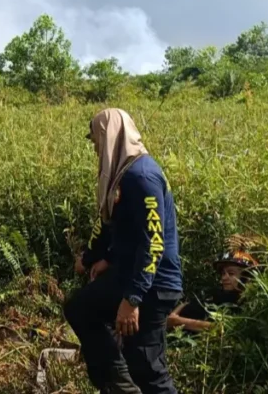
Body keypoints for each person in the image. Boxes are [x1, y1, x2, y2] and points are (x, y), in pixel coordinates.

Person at [64, 108, 183, 394]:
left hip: (154, 285)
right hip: (130, 274)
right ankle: (117, 384)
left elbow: (153, 243)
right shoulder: (123, 175)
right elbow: (119, 229)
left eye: (96, 142)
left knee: (148, 368)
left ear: (109, 137)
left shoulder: (142, 177)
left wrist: (132, 300)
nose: (95, 150)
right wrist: (101, 258)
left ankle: (123, 384)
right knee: (81, 308)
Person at [167, 250, 257, 333]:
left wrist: (177, 321)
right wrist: (173, 315)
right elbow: (188, 301)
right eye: (223, 273)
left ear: (246, 277)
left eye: (231, 274)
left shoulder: (248, 303)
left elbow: (225, 328)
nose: (224, 278)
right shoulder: (218, 293)